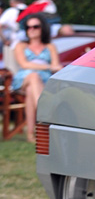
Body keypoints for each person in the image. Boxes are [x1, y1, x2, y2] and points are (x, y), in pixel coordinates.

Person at [11, 14, 62, 143]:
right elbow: (24, 64)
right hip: (24, 78)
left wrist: (51, 67)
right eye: (28, 27)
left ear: (42, 28)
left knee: (30, 91)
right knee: (33, 77)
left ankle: (31, 135)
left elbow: (57, 66)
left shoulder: (50, 46)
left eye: (35, 26)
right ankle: (45, 112)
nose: (31, 29)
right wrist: (48, 66)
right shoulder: (21, 46)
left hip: (44, 81)